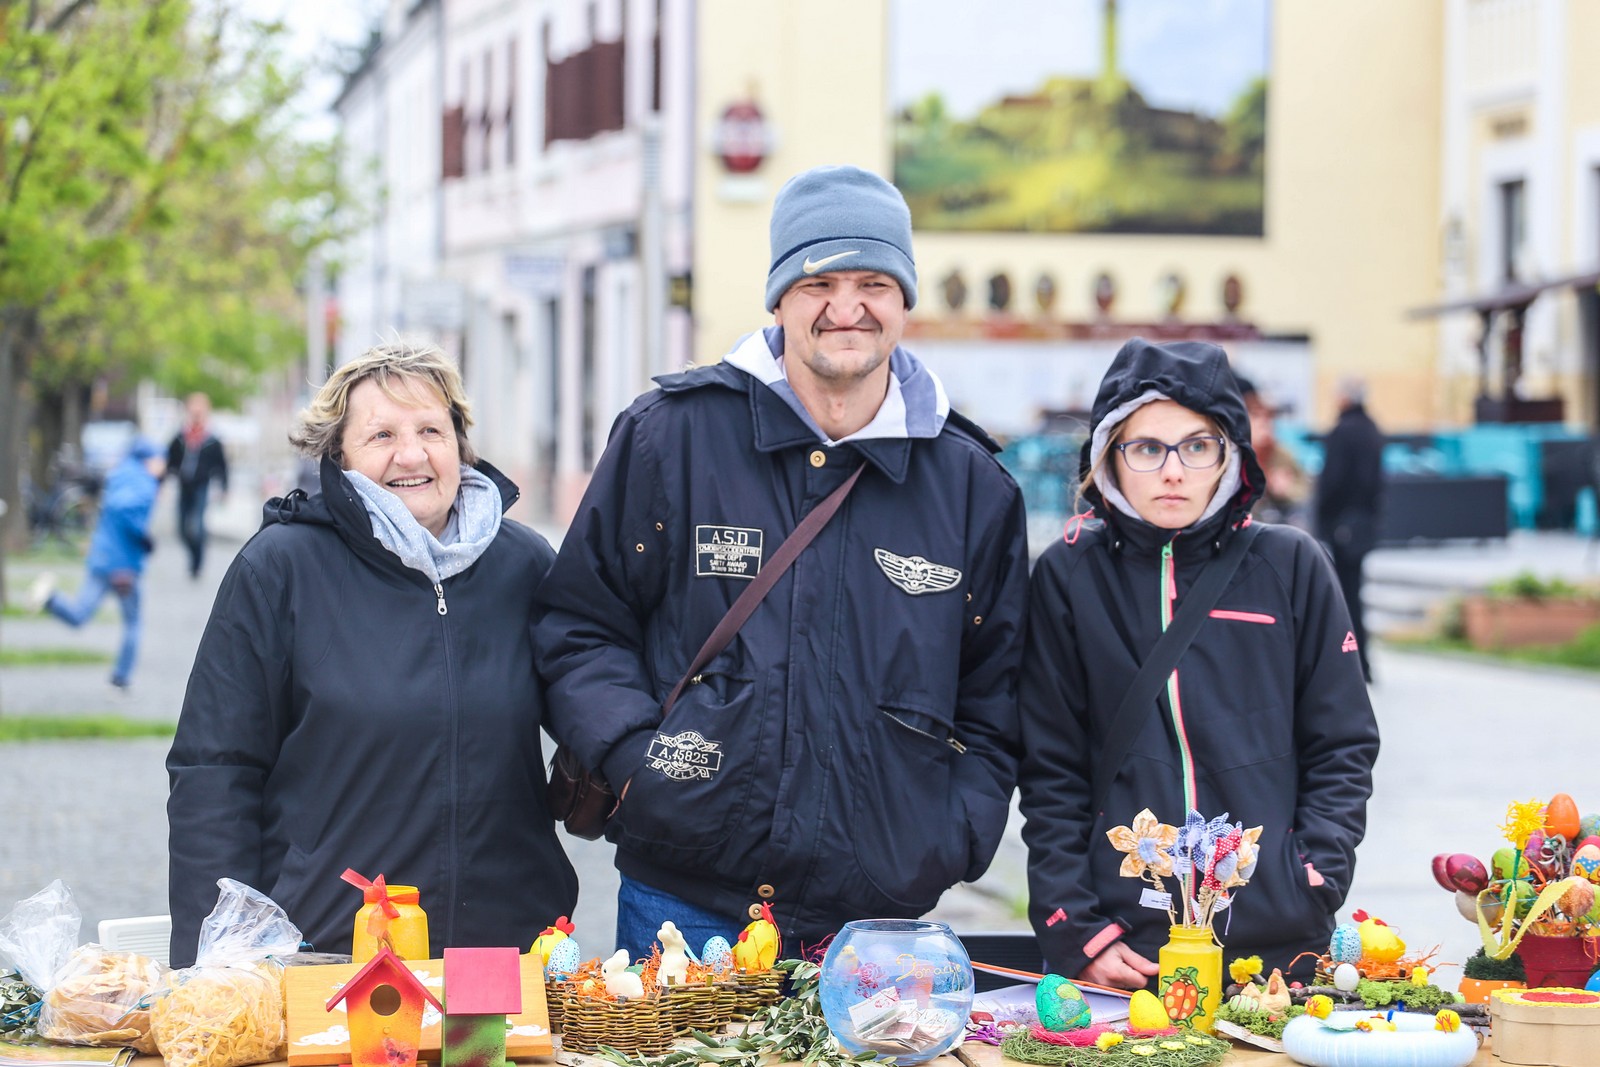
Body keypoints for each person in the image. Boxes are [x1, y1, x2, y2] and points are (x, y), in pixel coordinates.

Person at [534, 164, 1030, 958]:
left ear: (904, 299)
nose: (846, 308)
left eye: (873, 283)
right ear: (778, 299)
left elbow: (995, 694)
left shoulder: (972, 485)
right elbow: (580, 626)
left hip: (879, 922)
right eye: (817, 283)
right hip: (685, 903)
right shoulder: (671, 437)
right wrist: (636, 768)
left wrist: (952, 834)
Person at [166, 342, 577, 965]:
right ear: (339, 455)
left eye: (431, 431)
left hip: (503, 954)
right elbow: (215, 771)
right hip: (329, 957)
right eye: (381, 435)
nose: (411, 455)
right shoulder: (280, 569)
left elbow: (591, 700)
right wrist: (214, 966)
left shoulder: (524, 565)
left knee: (488, 1042)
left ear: (460, 445)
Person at [1018, 338, 1378, 989]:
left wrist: (1312, 876)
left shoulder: (1291, 565)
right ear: (1108, 455)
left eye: (1197, 446)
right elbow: (1051, 769)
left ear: (1229, 454)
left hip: (1277, 941)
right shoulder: (1069, 575)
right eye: (1146, 448)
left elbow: (1342, 742)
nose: (1173, 471)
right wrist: (1077, 930)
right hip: (1124, 948)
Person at [28, 439, 164, 690]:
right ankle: (121, 678)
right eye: (159, 458)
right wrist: (144, 537)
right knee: (133, 623)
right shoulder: (145, 483)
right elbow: (126, 512)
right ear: (148, 460)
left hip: (102, 557)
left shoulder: (118, 475)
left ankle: (50, 599)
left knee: (80, 615)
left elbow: (113, 508)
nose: (162, 465)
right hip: (124, 566)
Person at [1315, 377, 1384, 683]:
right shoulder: (1371, 430)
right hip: (1364, 525)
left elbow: (1333, 481)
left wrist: (1323, 518)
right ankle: (1361, 663)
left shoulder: (1343, 432)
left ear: (1344, 398)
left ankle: (1352, 664)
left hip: (1343, 525)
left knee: (1344, 598)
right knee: (1353, 594)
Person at [165, 392, 229, 578]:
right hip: (183, 484)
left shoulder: (212, 439)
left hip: (202, 485)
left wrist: (224, 488)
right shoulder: (180, 437)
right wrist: (163, 481)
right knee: (181, 528)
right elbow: (170, 461)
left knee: (198, 527)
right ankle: (193, 554)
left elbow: (222, 466)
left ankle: (197, 563)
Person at [1235, 374, 1309, 528]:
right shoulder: (1236, 455)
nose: (1264, 424)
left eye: (1268, 418)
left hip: (1272, 527)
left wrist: (1286, 490)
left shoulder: (1282, 454)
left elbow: (1304, 489)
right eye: (1257, 417)